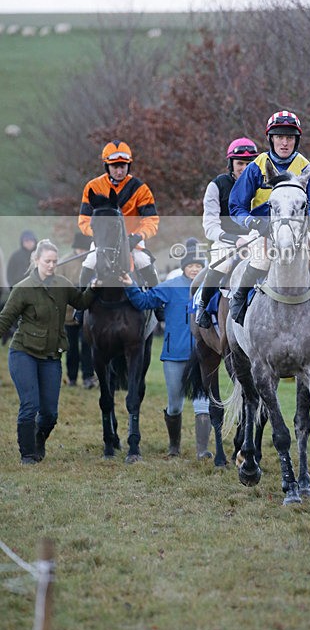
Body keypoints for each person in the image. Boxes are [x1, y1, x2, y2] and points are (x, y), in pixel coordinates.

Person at [228, 110, 310, 326]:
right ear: (271, 139)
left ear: (296, 140)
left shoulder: (307, 168)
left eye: (289, 138)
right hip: (263, 230)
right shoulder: (256, 166)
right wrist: (251, 222)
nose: (284, 143)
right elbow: (236, 205)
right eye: (279, 137)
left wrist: (306, 219)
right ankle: (239, 300)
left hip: (297, 232)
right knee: (261, 259)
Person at [0, 239, 96, 464]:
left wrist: (95, 287)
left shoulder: (62, 284)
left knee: (50, 413)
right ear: (36, 260)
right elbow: (5, 319)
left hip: (51, 355)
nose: (51, 265)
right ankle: (28, 455)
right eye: (47, 261)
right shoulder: (23, 288)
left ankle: (38, 437)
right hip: (23, 352)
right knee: (30, 404)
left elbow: (81, 302)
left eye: (54, 261)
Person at [120, 238, 213, 460]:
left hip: (202, 356)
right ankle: (174, 445)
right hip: (174, 355)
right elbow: (143, 302)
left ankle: (203, 451)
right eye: (191, 266)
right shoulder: (170, 287)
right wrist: (129, 285)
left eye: (199, 266)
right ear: (184, 267)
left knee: (203, 404)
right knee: (174, 405)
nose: (194, 270)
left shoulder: (209, 288)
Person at [78, 140, 160, 290]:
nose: (119, 171)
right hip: (102, 240)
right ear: (107, 166)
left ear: (128, 166)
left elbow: (151, 220)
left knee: (144, 261)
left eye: (122, 166)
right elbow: (84, 220)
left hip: (131, 239)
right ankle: (79, 308)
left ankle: (158, 306)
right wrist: (97, 234)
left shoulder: (140, 189)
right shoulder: (93, 187)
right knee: (89, 263)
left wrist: (139, 236)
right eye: (115, 167)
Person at [195, 136, 258, 329]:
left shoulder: (262, 184)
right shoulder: (216, 186)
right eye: (240, 163)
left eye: (249, 163)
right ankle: (202, 307)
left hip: (255, 239)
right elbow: (210, 225)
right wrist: (234, 239)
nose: (244, 168)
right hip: (226, 241)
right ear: (231, 163)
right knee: (222, 265)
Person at [59, 232, 97, 388]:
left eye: (84, 249)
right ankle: (72, 377)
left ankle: (88, 376)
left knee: (87, 346)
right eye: (79, 249)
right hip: (68, 314)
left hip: (87, 312)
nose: (81, 252)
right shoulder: (64, 263)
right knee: (71, 348)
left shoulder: (92, 262)